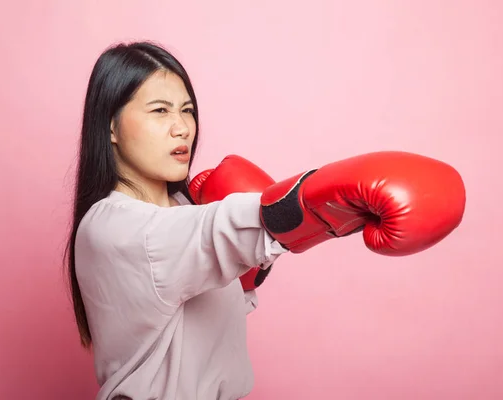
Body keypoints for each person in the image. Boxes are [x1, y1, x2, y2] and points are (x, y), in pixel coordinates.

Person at [65, 41, 466, 400]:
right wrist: (318, 198)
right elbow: (213, 233)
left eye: (187, 110)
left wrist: (263, 262)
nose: (181, 127)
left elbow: (210, 315)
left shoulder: (185, 211)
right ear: (112, 126)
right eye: (160, 110)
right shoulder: (112, 228)